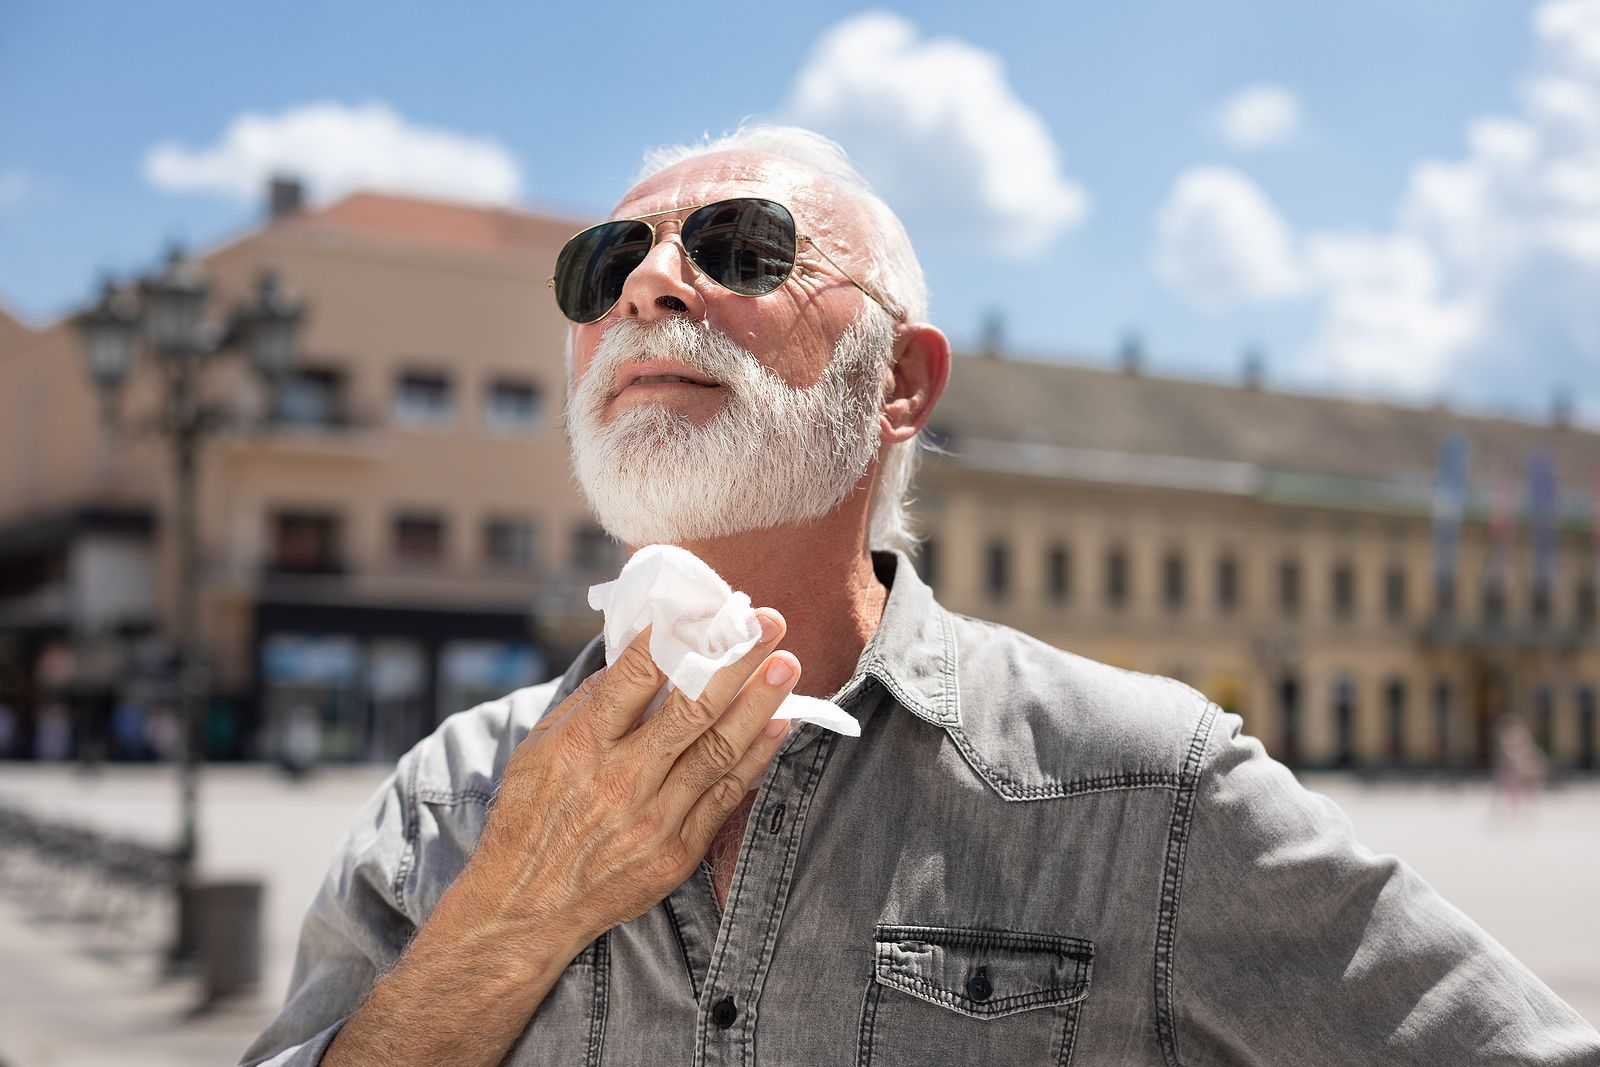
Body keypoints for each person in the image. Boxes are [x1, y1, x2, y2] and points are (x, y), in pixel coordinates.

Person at [243, 127, 1600, 1066]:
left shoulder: (1141, 789)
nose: (653, 282)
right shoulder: (445, 801)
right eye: (607, 265)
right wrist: (511, 913)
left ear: (898, 382)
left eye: (741, 244)